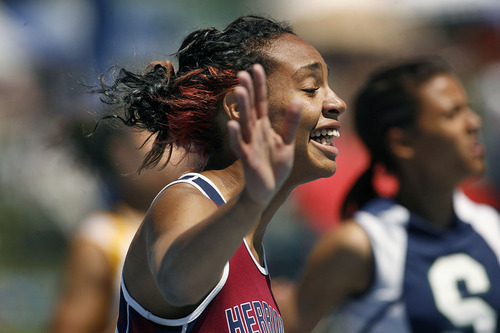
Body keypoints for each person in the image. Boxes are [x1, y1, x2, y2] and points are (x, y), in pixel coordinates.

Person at [93, 15, 346, 332]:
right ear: (238, 109)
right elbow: (178, 283)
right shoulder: (189, 199)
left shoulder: (252, 246)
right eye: (310, 88)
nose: (337, 102)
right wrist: (250, 202)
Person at [284, 57, 500, 333]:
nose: (474, 123)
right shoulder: (361, 243)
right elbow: (288, 325)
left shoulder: (489, 224)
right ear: (402, 142)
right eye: (452, 113)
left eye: (468, 108)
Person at [50, 122, 197, 333]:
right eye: (161, 135)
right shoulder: (102, 237)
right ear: (120, 154)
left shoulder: (215, 222)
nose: (178, 146)